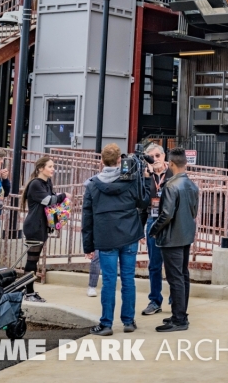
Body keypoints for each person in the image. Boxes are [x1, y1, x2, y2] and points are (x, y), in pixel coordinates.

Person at [82, 143, 151, 336]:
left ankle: (106, 324)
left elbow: (87, 218)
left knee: (109, 281)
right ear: (120, 160)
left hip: (105, 238)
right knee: (128, 279)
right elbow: (144, 202)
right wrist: (145, 180)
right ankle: (128, 321)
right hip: (129, 236)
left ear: (102, 161)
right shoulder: (130, 181)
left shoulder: (93, 185)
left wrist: (88, 245)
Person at [150, 149, 199, 332]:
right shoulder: (192, 185)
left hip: (172, 238)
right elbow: (194, 211)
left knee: (175, 278)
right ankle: (180, 314)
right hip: (185, 235)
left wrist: (154, 230)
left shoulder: (171, 186)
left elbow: (166, 214)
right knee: (183, 276)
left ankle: (179, 319)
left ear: (170, 164)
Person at [20, 157, 68, 302]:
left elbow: (52, 199)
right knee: (32, 260)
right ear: (41, 168)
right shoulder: (35, 184)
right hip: (34, 226)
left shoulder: (47, 183)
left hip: (42, 226)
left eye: (53, 166)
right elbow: (48, 200)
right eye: (50, 166)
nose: (53, 169)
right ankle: (28, 292)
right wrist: (64, 196)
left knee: (34, 260)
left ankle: (29, 292)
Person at [141, 143, 170, 316]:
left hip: (171, 222)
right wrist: (146, 178)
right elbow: (140, 203)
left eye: (158, 155)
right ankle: (155, 300)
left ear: (164, 156)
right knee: (154, 264)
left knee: (173, 263)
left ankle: (176, 298)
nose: (156, 159)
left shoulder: (173, 172)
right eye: (152, 157)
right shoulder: (145, 176)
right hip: (152, 220)